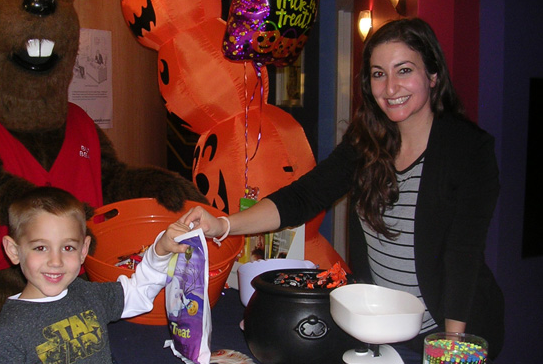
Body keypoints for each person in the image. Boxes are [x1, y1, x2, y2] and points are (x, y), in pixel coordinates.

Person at [182, 18, 504, 361]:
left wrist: (449, 349)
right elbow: (303, 196)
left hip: (443, 330)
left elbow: (463, 256)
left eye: (404, 70)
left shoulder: (468, 149)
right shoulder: (366, 142)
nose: (391, 87)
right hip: (378, 328)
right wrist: (224, 225)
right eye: (379, 74)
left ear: (433, 75)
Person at [0, 186, 192, 364]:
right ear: (14, 251)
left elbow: (138, 293)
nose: (56, 261)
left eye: (68, 248)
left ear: (83, 251)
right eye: (41, 248)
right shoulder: (5, 332)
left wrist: (160, 251)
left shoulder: (91, 296)